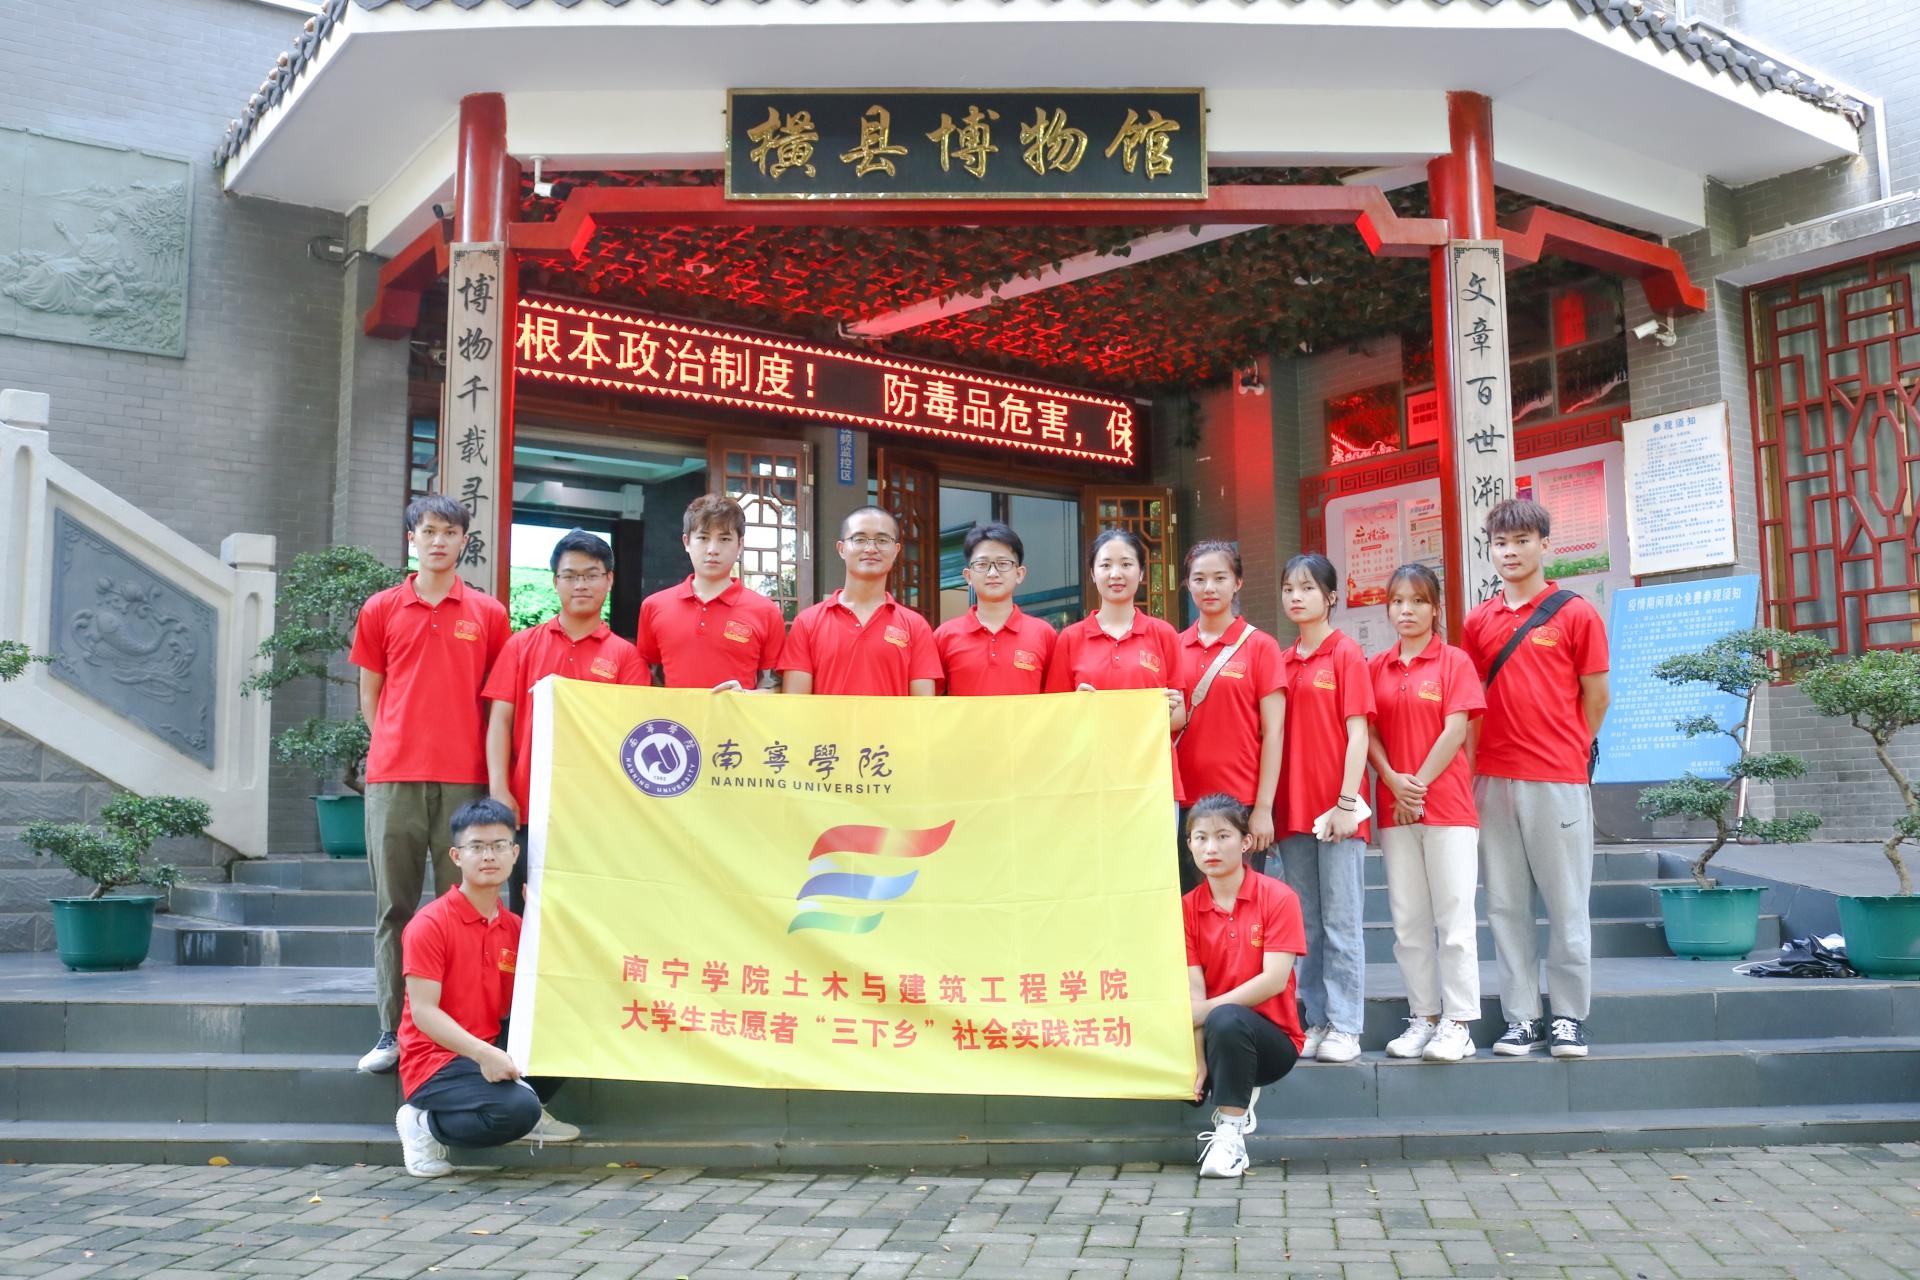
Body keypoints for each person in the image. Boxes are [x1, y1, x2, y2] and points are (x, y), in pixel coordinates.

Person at [349, 495, 510, 1076]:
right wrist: (393, 744)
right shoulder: (381, 608)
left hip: (465, 780)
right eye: (428, 531)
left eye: (449, 531)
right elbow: (371, 693)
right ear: (411, 539)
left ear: (465, 540)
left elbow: (497, 703)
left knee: (464, 907)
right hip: (393, 779)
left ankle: (465, 1033)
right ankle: (392, 1030)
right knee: (393, 908)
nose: (438, 541)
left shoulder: (488, 613)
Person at [1463, 498, 1611, 1060]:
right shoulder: (1478, 622)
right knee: (1505, 905)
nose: (1510, 552)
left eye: (1522, 540)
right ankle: (1521, 1018)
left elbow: (1597, 697)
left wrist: (1570, 748)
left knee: (1567, 904)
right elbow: (1471, 707)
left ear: (1544, 545)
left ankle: (1569, 1017)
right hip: (1493, 779)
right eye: (1501, 543)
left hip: (1557, 779)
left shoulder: (1576, 614)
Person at [394, 798, 574, 1178]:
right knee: (516, 1112)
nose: (488, 856)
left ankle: (526, 1099)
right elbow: (424, 1013)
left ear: (515, 853)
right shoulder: (430, 925)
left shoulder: (514, 927)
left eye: (499, 845)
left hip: (489, 1045)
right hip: (435, 1060)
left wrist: (548, 923)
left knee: (571, 1023)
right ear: (456, 856)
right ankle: (422, 1124)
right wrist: (483, 1054)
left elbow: (545, 992)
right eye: (476, 846)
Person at [483, 529, 647, 913]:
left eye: (591, 575)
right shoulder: (521, 646)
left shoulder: (626, 657)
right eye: (570, 575)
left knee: (590, 913)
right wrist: (499, 789)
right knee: (527, 911)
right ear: (555, 581)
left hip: (596, 813)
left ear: (609, 579)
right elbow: (500, 722)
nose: (581, 585)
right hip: (528, 808)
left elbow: (633, 736)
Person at [1366, 564, 1486, 1064]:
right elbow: (1367, 733)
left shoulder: (1454, 662)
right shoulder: (1376, 667)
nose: (1407, 610)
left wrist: (1414, 786)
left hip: (1448, 807)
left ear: (1436, 608)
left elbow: (1456, 730)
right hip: (1395, 811)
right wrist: (1392, 780)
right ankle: (1424, 1017)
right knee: (1408, 922)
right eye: (1397, 601)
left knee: (1454, 920)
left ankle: (1459, 1023)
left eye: (1418, 601)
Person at [1274, 552, 1374, 1065]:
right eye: (1289, 588)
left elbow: (1359, 734)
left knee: (1341, 922)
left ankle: (1346, 1025)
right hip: (1292, 810)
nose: (1297, 597)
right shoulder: (1282, 660)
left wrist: (1345, 803)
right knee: (1307, 924)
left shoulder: (1346, 654)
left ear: (1331, 596)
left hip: (1337, 811)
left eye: (1308, 588)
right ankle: (1316, 1019)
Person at [1184, 793, 1304, 1180]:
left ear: (1246, 842)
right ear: (1189, 845)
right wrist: (1200, 1062)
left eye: (1223, 836)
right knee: (1217, 1023)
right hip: (1213, 1033)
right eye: (1200, 838)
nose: (1211, 848)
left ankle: (1230, 1137)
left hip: (1273, 1042)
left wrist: (1208, 1011)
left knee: (1227, 1018)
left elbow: (1274, 980)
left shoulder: (1278, 897)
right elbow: (1194, 991)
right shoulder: (1186, 909)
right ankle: (1230, 1090)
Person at [1044, 528, 1187, 805]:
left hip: (1152, 778)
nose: (1116, 574)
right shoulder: (1071, 638)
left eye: (1126, 564)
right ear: (1092, 573)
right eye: (1106, 565)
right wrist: (1076, 708)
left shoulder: (1163, 634)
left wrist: (1159, 711)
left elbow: (1179, 715)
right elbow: (1056, 719)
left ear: (1142, 573)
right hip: (1089, 781)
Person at [1176, 540, 1285, 887]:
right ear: (1188, 584)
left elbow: (1275, 732)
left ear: (1238, 582)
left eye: (1220, 578)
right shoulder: (1174, 646)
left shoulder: (1261, 646)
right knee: (1192, 907)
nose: (1209, 588)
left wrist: (1263, 808)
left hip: (1242, 803)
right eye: (1199, 579)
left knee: (1242, 905)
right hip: (1184, 804)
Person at [780, 506, 941, 696]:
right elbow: (796, 704)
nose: (871, 549)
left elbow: (923, 707)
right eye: (859, 539)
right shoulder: (807, 623)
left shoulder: (916, 627)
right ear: (841, 549)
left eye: (882, 540)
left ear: (896, 551)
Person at [635, 494, 787, 692]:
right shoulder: (654, 606)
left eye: (724, 539)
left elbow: (775, 685)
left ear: (740, 545)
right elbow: (647, 677)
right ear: (686, 542)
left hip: (737, 713)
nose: (713, 549)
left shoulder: (766, 612)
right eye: (703, 538)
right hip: (674, 714)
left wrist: (747, 696)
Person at [933, 521, 1056, 696]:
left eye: (1003, 563)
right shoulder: (945, 636)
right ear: (968, 576)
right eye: (982, 564)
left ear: (1019, 574)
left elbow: (1058, 699)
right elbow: (928, 702)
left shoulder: (1044, 634)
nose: (992, 573)